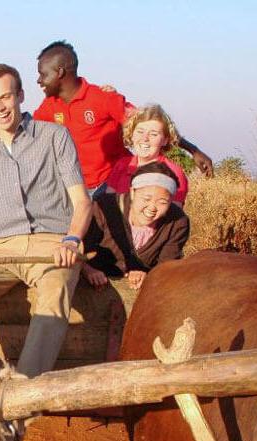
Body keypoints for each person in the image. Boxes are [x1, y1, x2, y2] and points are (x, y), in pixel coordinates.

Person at [0, 64, 92, 386]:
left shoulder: (55, 137)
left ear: (20, 96)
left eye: (6, 97)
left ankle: (24, 388)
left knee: (54, 289)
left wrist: (71, 240)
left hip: (52, 243)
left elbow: (82, 201)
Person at [33, 40, 213, 196]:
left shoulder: (102, 98)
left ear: (60, 72)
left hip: (111, 185)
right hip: (76, 190)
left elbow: (150, 124)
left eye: (43, 74)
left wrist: (193, 150)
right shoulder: (49, 106)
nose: (39, 81)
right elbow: (25, 132)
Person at [82, 161, 190, 291]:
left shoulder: (177, 222)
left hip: (138, 292)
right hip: (92, 285)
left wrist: (147, 275)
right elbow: (78, 250)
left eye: (162, 202)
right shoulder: (104, 207)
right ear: (133, 192)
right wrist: (88, 269)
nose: (152, 208)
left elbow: (165, 267)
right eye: (146, 199)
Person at [104, 104, 189, 206]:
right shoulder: (121, 165)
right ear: (132, 134)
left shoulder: (174, 173)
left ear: (165, 140)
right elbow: (108, 206)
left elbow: (174, 216)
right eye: (140, 131)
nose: (145, 138)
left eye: (153, 134)